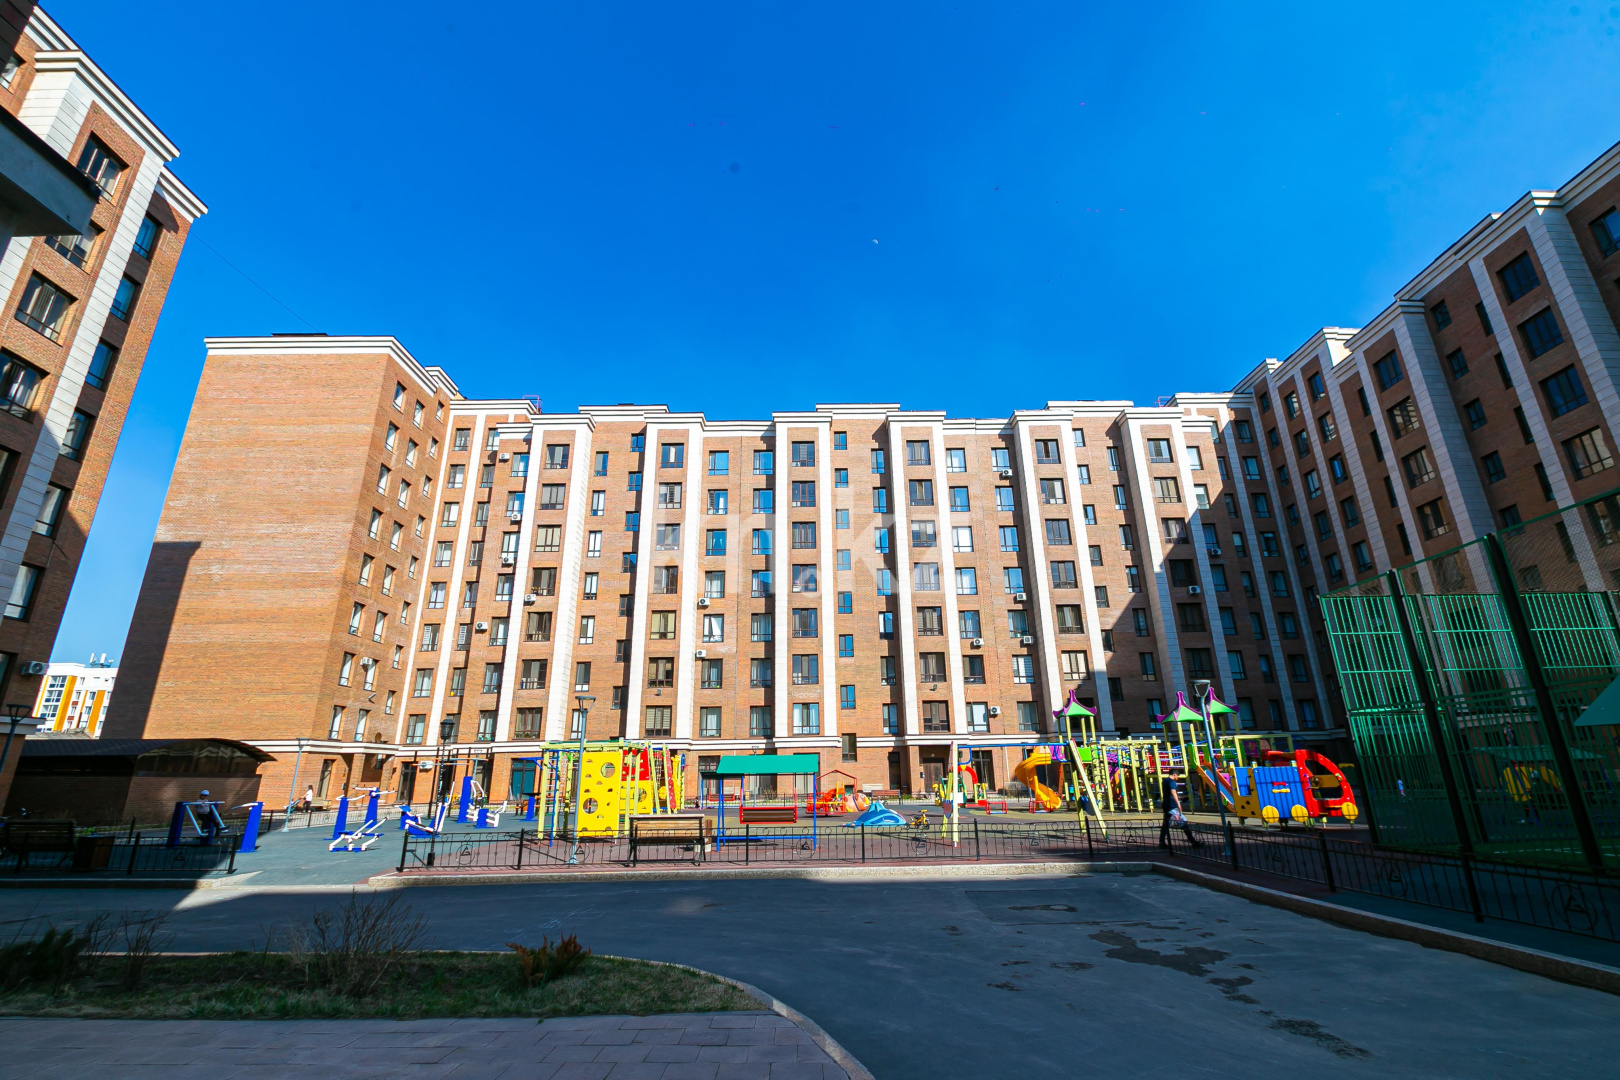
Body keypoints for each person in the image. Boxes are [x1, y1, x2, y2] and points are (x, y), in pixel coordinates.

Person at [1159, 775, 1201, 848]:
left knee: (1166, 824)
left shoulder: (1165, 781)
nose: (1178, 777)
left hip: (1166, 805)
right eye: (1177, 776)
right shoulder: (1172, 782)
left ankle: (1161, 842)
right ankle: (1193, 842)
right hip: (1172, 806)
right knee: (1183, 822)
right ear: (1174, 775)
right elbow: (1173, 792)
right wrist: (1178, 803)